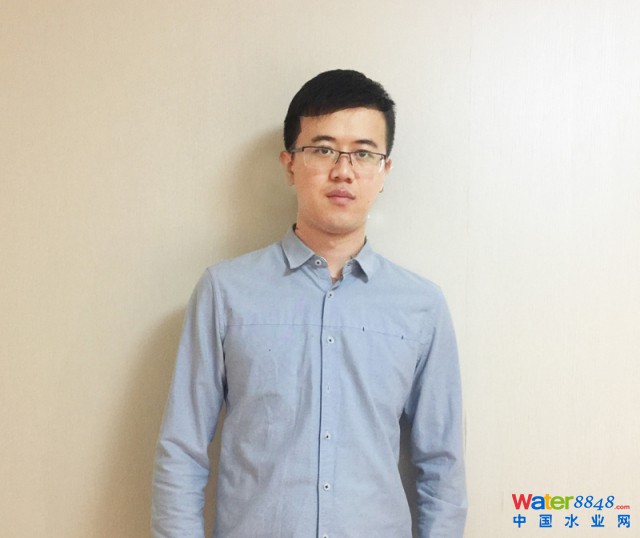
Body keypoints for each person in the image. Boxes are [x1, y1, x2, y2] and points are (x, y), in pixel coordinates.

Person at [152, 69, 467, 538]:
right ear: (289, 165)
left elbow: (442, 465)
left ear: (384, 171)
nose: (343, 170)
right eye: (323, 149)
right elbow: (182, 450)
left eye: (364, 153)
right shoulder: (225, 292)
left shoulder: (421, 306)